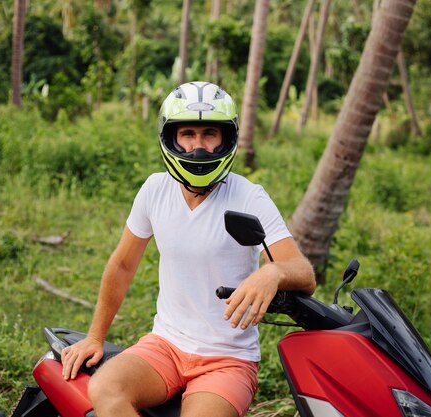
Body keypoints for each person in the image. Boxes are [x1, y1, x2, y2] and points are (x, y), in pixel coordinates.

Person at [61, 81, 316, 417]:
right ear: (172, 138)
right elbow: (122, 265)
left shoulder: (249, 196)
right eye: (188, 134)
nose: (198, 146)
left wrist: (272, 272)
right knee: (106, 389)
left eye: (210, 133)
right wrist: (95, 337)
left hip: (228, 360)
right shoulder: (155, 190)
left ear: (227, 138)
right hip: (165, 345)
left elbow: (304, 274)